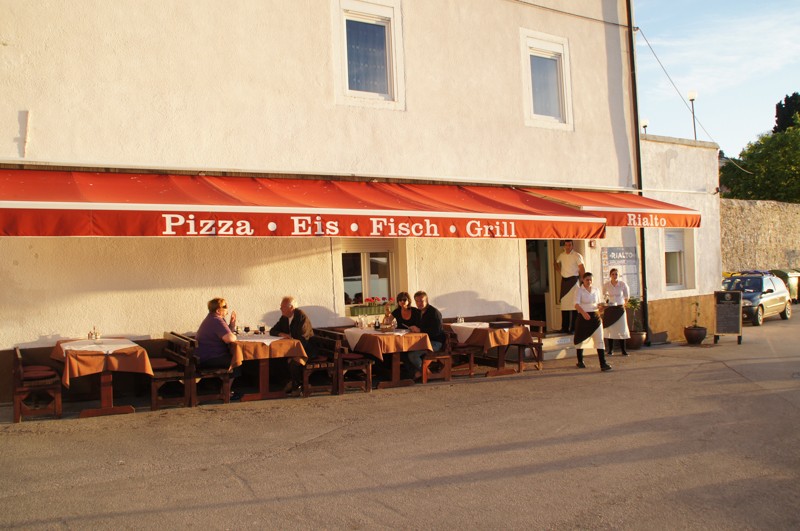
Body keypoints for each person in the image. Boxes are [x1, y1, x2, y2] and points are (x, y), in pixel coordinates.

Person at [194, 297, 241, 399]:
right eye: (225, 306)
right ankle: (226, 393)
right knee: (236, 361)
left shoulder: (212, 318)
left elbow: (224, 333)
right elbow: (229, 338)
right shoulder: (216, 320)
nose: (227, 307)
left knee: (235, 358)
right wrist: (234, 336)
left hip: (202, 356)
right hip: (208, 358)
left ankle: (224, 390)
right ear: (218, 310)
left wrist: (232, 325)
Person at [270, 296, 315, 394]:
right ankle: (289, 382)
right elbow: (272, 330)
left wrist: (293, 354)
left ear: (291, 307)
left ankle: (296, 386)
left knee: (293, 362)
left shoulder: (301, 317)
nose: (280, 309)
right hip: (292, 348)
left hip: (306, 350)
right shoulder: (284, 317)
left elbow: (303, 339)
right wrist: (282, 334)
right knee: (276, 358)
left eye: (283, 307)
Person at [574, 272, 612, 372]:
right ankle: (580, 361)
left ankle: (603, 363)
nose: (589, 282)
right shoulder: (579, 290)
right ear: (583, 280)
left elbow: (599, 304)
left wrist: (603, 308)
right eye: (587, 280)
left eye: (590, 280)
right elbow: (576, 304)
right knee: (580, 338)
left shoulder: (596, 290)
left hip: (595, 317)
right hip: (584, 317)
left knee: (599, 339)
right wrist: (583, 313)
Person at [555, 240, 585, 334]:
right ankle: (564, 328)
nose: (568, 247)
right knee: (564, 306)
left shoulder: (577, 255)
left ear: (572, 245)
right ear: (564, 246)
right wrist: (560, 272)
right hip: (564, 281)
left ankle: (573, 328)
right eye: (566, 245)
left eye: (569, 245)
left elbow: (582, 269)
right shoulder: (561, 255)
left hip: (574, 282)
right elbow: (555, 263)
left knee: (574, 305)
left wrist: (583, 281)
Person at [602, 268, 630, 356]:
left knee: (621, 329)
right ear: (610, 275)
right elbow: (604, 295)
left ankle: (623, 350)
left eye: (616, 274)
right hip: (610, 308)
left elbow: (627, 297)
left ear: (618, 275)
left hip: (619, 308)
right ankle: (610, 349)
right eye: (613, 274)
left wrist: (624, 305)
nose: (615, 276)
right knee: (610, 329)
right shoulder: (607, 285)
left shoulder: (622, 284)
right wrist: (606, 302)